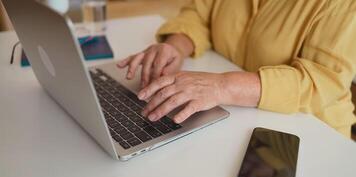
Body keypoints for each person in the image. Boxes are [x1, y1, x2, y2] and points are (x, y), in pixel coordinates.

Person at [117, 0, 356, 138]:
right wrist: (176, 47)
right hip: (239, 116)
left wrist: (222, 85)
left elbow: (321, 81)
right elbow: (200, 15)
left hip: (312, 130)